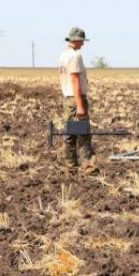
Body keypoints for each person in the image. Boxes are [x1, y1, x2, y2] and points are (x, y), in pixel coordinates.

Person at [58, 27, 99, 175]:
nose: (83, 44)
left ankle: (71, 168)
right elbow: (75, 79)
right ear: (75, 40)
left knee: (71, 134)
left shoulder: (63, 55)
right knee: (83, 135)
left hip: (68, 100)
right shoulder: (75, 56)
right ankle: (90, 169)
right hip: (76, 100)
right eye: (81, 41)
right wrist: (80, 105)